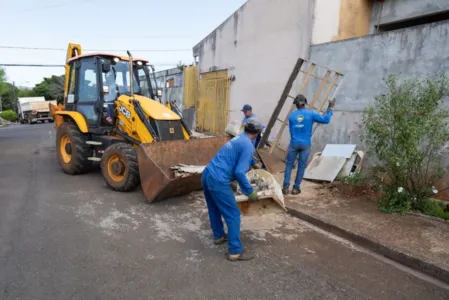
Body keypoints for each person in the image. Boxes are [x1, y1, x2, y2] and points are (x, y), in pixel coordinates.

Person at [201, 120, 262, 261]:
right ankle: (235, 251)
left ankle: (218, 236)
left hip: (207, 174)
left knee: (214, 208)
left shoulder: (239, 137)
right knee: (233, 214)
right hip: (218, 180)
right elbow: (240, 172)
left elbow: (237, 152)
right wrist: (249, 191)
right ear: (257, 133)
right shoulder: (248, 146)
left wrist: (253, 163)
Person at [283, 94, 335, 195]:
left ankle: (285, 188)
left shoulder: (292, 116)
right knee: (301, 166)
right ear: (305, 103)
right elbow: (326, 120)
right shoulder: (311, 114)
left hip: (294, 143)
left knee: (289, 165)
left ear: (296, 105)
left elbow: (291, 131)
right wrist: (330, 109)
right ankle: (295, 189)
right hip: (305, 144)